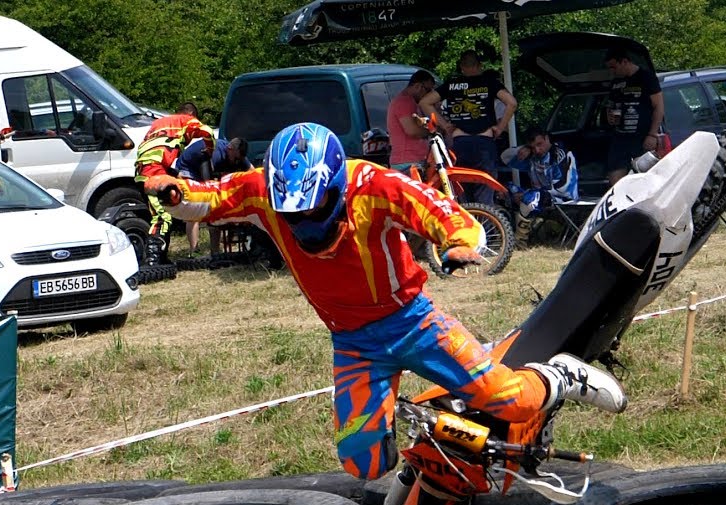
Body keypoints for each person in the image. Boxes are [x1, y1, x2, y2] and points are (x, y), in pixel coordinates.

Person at [143, 122, 626, 481]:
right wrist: (171, 190)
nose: (305, 222)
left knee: (511, 402)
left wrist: (460, 243)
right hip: (353, 343)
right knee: (363, 463)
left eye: (316, 208)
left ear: (336, 185)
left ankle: (559, 376)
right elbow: (206, 198)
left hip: (414, 323)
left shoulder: (375, 185)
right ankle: (434, 436)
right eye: (294, 214)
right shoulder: (262, 190)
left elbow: (443, 212)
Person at [420, 50, 517, 205]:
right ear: (480, 65)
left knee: (463, 194)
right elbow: (512, 103)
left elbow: (425, 102)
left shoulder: (451, 85)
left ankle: (467, 218)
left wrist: (444, 125)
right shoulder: (489, 82)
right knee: (485, 194)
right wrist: (500, 128)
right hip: (484, 143)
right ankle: (485, 218)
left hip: (459, 143)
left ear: (461, 67)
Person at [133, 102, 213, 255]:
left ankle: (162, 257)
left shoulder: (157, 124)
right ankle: (153, 259)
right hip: (154, 174)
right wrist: (210, 150)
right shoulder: (185, 120)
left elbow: (154, 154)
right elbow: (208, 132)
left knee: (164, 213)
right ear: (191, 115)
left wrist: (174, 174)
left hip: (142, 172)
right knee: (162, 218)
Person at [499, 127, 579, 242]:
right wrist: (525, 148)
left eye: (539, 144)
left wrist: (528, 194)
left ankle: (521, 240)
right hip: (540, 195)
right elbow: (505, 156)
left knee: (530, 198)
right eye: (533, 147)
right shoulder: (533, 156)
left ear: (547, 138)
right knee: (505, 190)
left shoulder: (559, 154)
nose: (537, 150)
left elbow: (562, 188)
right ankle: (505, 231)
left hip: (563, 198)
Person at [174, 137, 253, 254]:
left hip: (204, 171)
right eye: (236, 159)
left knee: (216, 211)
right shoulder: (215, 154)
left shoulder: (238, 154)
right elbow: (208, 182)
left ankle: (215, 252)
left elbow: (252, 172)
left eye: (239, 159)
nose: (237, 162)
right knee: (194, 210)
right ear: (229, 149)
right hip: (188, 169)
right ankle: (194, 251)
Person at [603, 47, 665, 187]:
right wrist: (610, 116)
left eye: (614, 67)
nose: (612, 71)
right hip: (620, 137)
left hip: (642, 137)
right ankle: (619, 198)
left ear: (625, 62)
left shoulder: (646, 78)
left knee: (644, 178)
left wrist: (652, 135)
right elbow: (610, 106)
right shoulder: (615, 82)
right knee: (615, 176)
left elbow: (659, 106)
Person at [387, 69, 435, 173]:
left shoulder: (410, 102)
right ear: (418, 86)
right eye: (428, 90)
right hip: (408, 162)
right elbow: (412, 131)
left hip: (409, 161)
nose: (429, 95)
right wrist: (433, 132)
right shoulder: (405, 101)